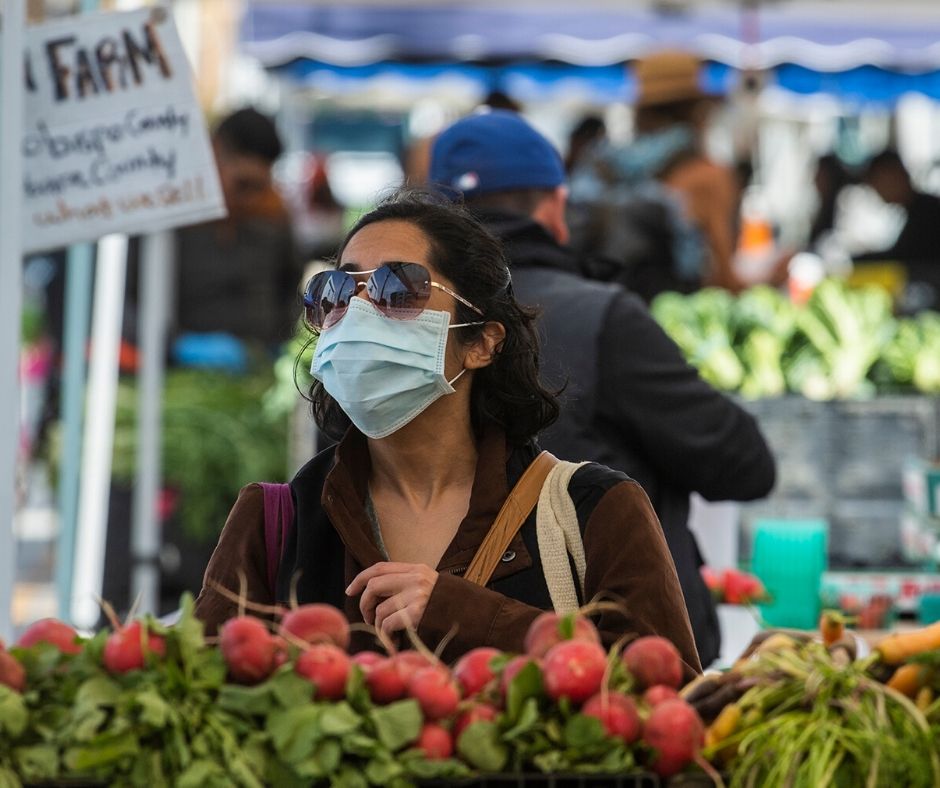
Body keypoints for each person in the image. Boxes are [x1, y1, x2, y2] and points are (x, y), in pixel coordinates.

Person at [194, 187, 701, 673]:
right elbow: (193, 704)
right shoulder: (275, 522)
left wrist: (471, 615)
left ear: (482, 341)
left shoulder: (595, 511)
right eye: (340, 291)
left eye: (400, 288)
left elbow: (670, 695)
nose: (360, 315)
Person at [428, 110, 777, 667]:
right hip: (610, 659)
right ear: (555, 208)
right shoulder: (602, 319)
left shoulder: (395, 324)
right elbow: (745, 462)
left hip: (430, 652)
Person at [568, 50, 789, 300]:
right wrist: (771, 279)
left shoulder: (609, 167)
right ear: (697, 111)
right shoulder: (708, 177)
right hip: (668, 322)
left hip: (609, 312)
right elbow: (724, 281)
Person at [173, 107, 303, 352]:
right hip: (181, 367)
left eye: (261, 186)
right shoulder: (175, 216)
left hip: (258, 362)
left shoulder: (274, 214)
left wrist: (282, 338)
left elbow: (291, 285)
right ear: (214, 154)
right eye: (243, 185)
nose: (251, 199)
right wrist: (173, 345)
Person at [861, 149, 940, 265]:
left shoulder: (927, 212)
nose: (876, 191)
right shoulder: (920, 208)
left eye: (877, 182)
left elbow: (904, 258)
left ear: (894, 175)